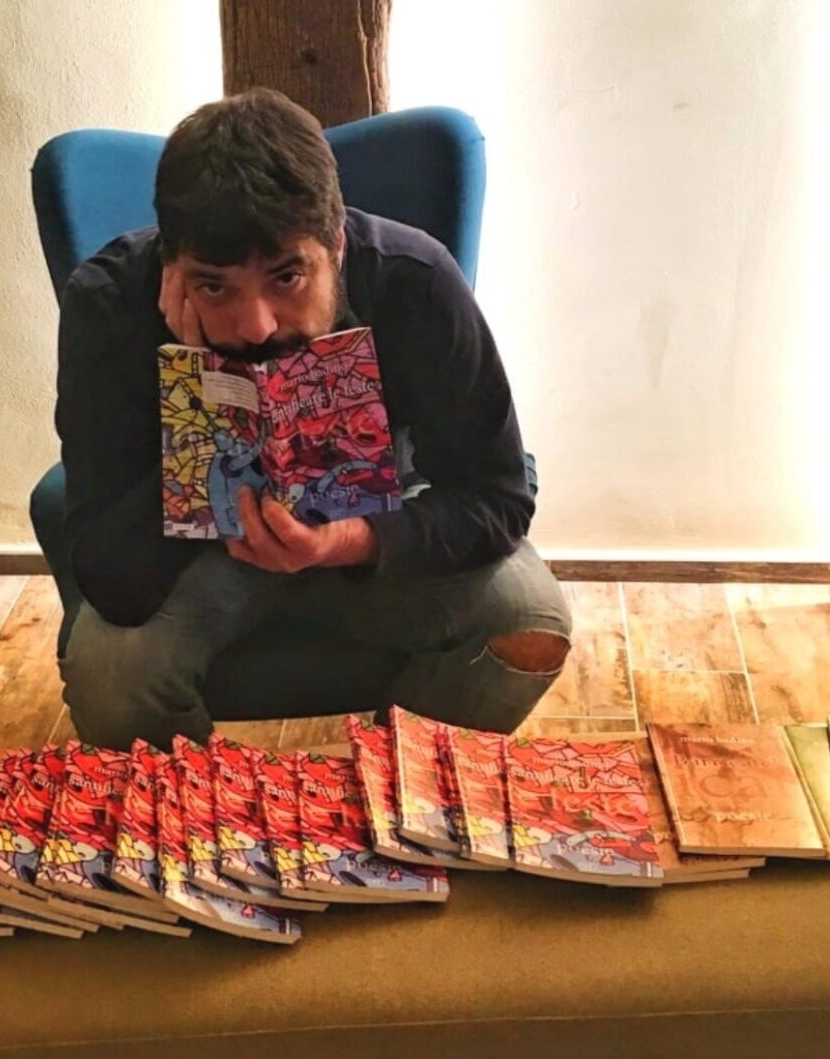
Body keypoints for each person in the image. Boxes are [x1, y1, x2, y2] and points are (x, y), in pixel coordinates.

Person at [55, 88, 572, 751]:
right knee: (108, 673)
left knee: (531, 618)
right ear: (172, 268)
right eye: (213, 285)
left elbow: (498, 499)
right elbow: (110, 579)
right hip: (200, 552)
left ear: (337, 245)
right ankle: (208, 804)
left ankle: (388, 786)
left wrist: (346, 541)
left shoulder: (413, 278)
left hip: (380, 525)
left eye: (287, 278)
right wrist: (204, 396)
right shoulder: (108, 302)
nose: (255, 324)